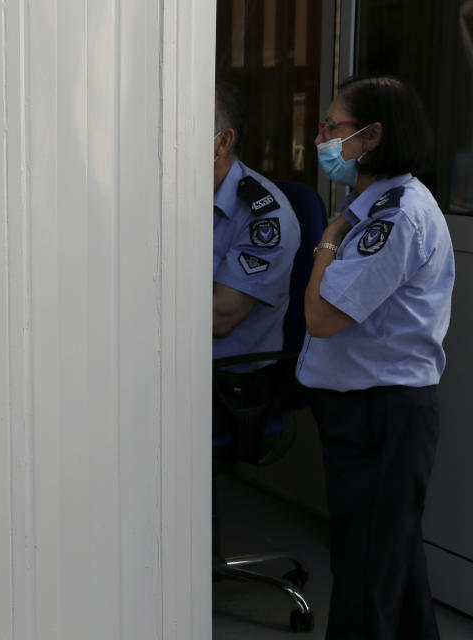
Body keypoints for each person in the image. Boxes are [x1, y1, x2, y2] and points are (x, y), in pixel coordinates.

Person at [297, 76, 454, 639]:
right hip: (365, 411)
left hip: (379, 416)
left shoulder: (393, 217)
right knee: (394, 567)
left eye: (333, 127)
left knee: (367, 575)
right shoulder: (373, 205)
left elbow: (322, 317)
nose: (322, 139)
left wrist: (328, 241)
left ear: (373, 135)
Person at [212, 81, 300, 365]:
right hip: (165, 369)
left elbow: (219, 318)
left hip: (228, 386)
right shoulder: (168, 198)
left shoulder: (266, 217)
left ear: (222, 142)